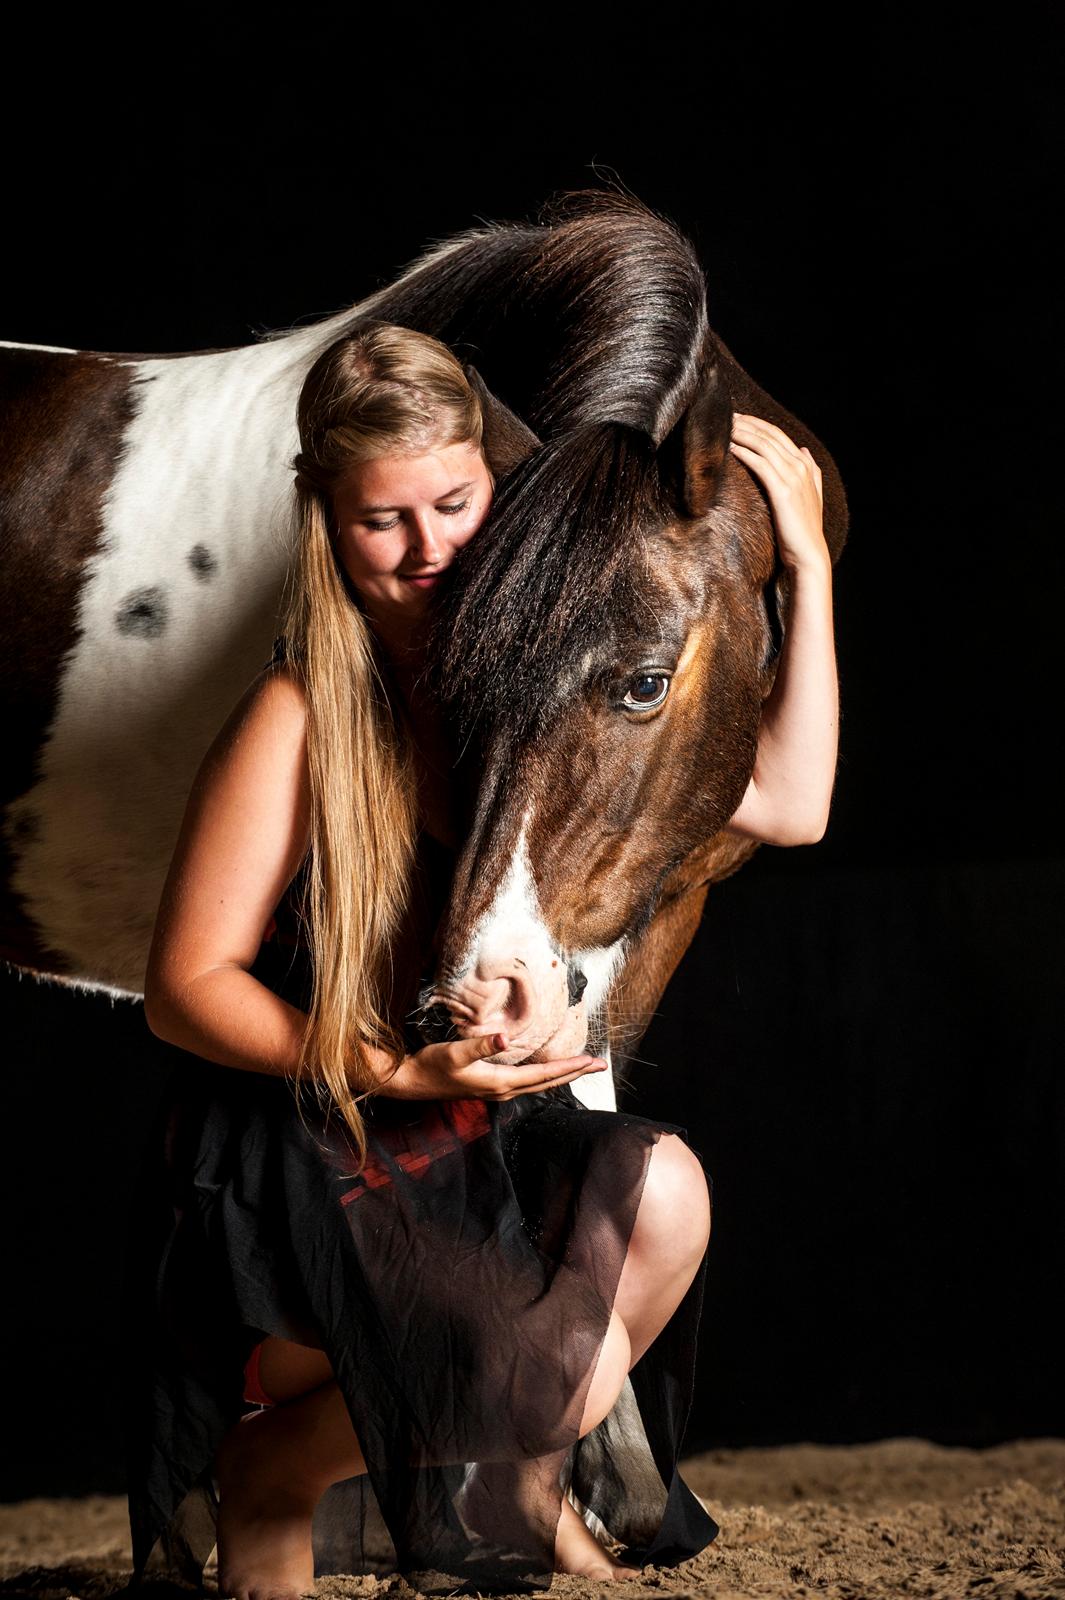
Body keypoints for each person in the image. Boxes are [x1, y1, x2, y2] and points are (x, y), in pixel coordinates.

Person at [127, 322, 838, 1600]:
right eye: (380, 521)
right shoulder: (301, 712)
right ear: (325, 524)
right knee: (549, 1367)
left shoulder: (522, 687)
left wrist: (808, 569)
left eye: (454, 503)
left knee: (668, 1197)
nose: (428, 548)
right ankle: (274, 1473)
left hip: (471, 1133)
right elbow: (183, 989)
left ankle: (514, 1484)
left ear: (497, 490)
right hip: (322, 1149)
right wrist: (392, 1068)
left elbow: (790, 804)